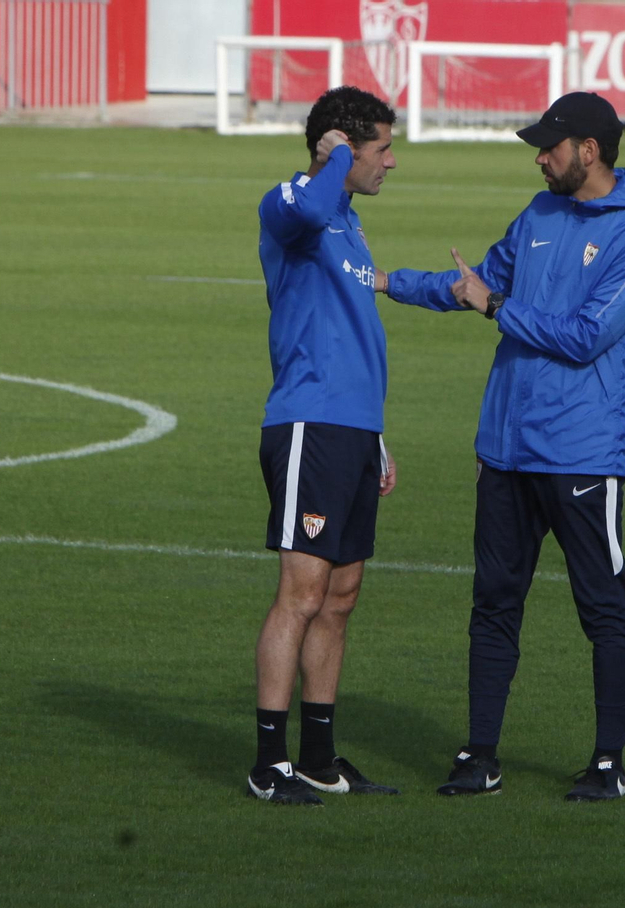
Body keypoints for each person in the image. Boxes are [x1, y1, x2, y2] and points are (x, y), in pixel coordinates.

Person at [378, 91, 625, 801]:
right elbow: (473, 284)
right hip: (505, 450)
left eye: (550, 146)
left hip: (581, 456)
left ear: (589, 152)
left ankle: (608, 760)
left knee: (602, 608)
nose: (540, 157)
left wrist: (497, 307)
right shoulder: (538, 214)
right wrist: (384, 282)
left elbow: (583, 337)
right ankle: (479, 754)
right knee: (493, 603)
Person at [248, 84, 400, 806]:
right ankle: (268, 763)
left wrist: (377, 437)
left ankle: (318, 757)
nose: (391, 163)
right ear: (340, 146)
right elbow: (307, 204)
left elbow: (350, 333)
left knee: (340, 595)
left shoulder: (348, 222)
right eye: (382, 148)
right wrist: (332, 160)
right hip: (307, 423)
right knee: (301, 593)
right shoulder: (294, 204)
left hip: (353, 431)